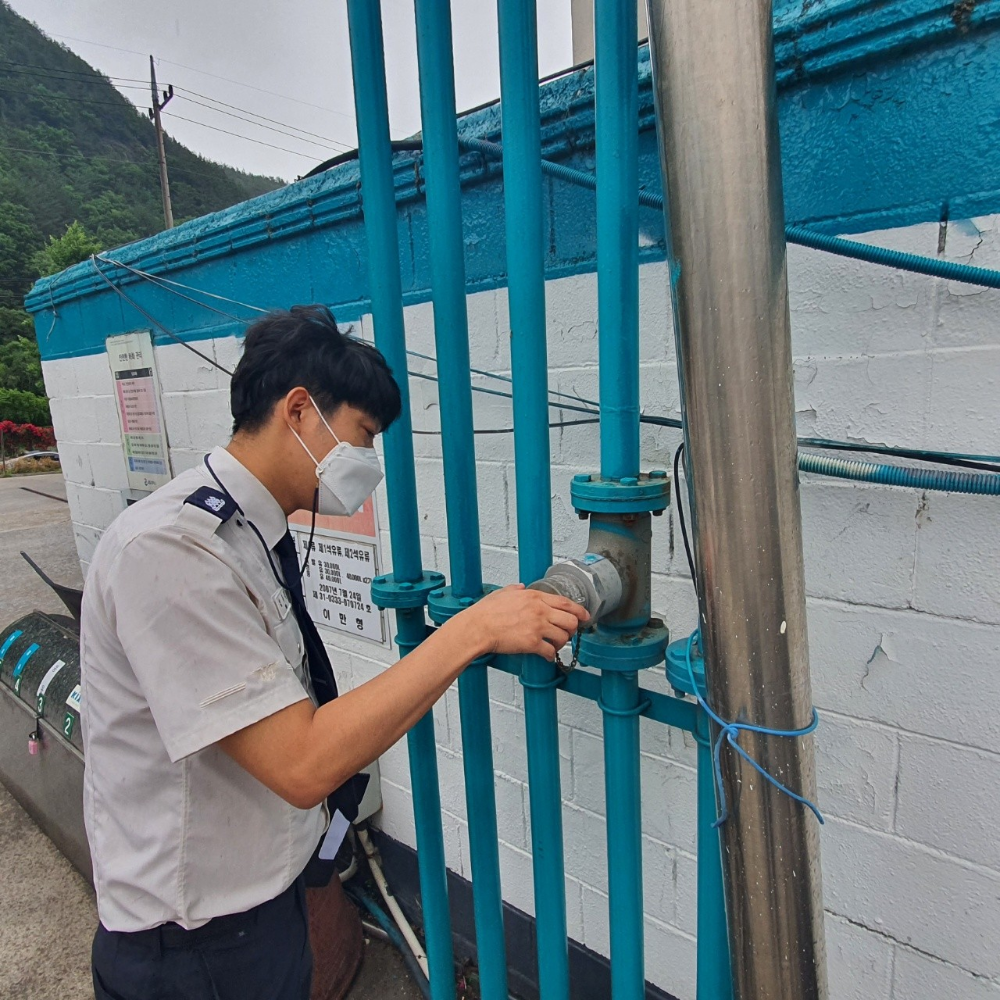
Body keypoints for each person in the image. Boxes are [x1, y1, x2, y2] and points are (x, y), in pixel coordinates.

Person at [81, 305, 588, 1000]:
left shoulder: (251, 535)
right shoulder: (174, 552)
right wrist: (470, 632)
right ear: (298, 411)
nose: (368, 462)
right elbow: (301, 762)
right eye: (362, 434)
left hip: (261, 914)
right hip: (194, 951)